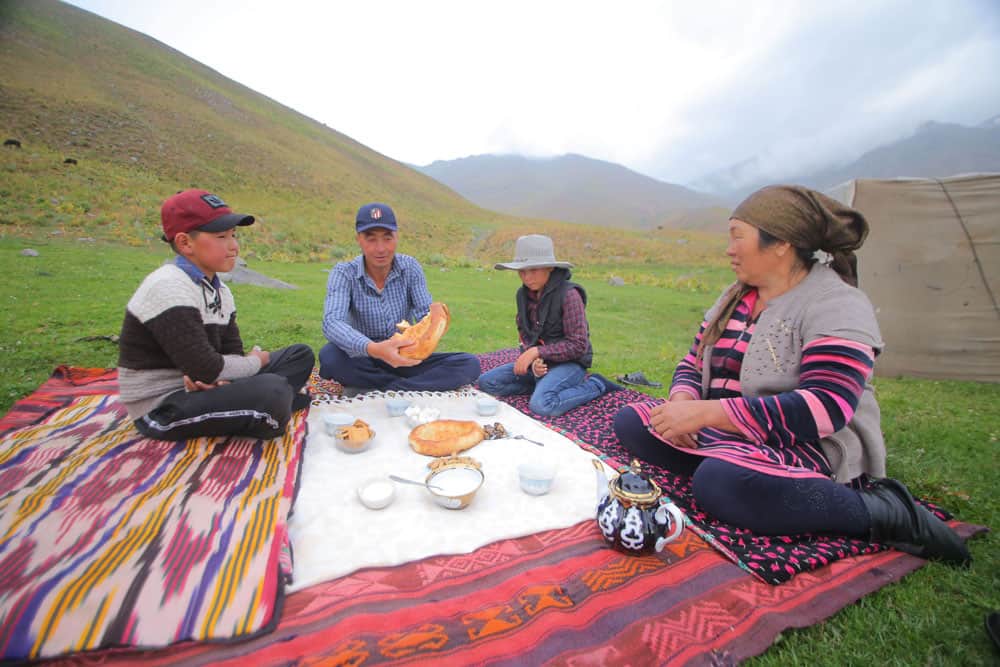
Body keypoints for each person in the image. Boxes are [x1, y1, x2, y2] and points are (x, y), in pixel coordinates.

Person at [612, 185, 970, 565]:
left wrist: (705, 415)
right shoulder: (735, 298)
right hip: (731, 431)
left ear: (780, 243)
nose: (729, 249)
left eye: (738, 236)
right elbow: (691, 362)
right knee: (634, 421)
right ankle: (734, 464)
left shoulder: (836, 304)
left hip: (809, 442)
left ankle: (879, 512)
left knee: (719, 483)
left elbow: (826, 408)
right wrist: (683, 402)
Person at [117, 189, 315, 441]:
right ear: (185, 243)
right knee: (272, 392)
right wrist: (257, 361)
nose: (234, 246)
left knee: (300, 355)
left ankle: (256, 403)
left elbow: (228, 355)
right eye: (222, 236)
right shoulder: (167, 286)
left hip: (201, 385)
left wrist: (223, 378)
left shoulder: (220, 291)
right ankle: (269, 405)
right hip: (164, 406)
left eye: (233, 235)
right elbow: (207, 367)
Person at [319, 202, 481, 393]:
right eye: (371, 239)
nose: (381, 248)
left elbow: (424, 314)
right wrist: (375, 348)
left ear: (396, 237)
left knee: (469, 364)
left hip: (406, 355)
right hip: (365, 356)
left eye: (387, 238)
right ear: (359, 240)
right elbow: (332, 322)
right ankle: (412, 386)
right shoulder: (344, 272)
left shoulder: (410, 267)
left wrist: (434, 322)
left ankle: (391, 388)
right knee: (330, 356)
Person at [478, 234, 621, 417]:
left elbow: (578, 346)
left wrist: (536, 353)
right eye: (522, 271)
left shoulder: (569, 295)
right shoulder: (522, 295)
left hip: (570, 363)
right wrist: (534, 363)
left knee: (542, 405)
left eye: (534, 270)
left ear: (550, 267)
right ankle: (543, 383)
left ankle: (596, 384)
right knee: (487, 382)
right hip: (541, 363)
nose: (527, 277)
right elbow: (526, 334)